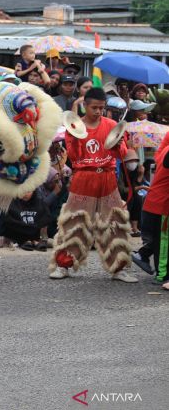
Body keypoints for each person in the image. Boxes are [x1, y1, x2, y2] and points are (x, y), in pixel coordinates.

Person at [48, 87, 137, 283]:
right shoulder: (73, 126)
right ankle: (64, 264)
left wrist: (119, 146)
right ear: (85, 106)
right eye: (94, 107)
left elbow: (121, 154)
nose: (98, 111)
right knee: (74, 223)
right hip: (83, 178)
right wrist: (79, 140)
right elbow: (73, 157)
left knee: (115, 223)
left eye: (102, 108)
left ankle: (118, 268)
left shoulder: (112, 125)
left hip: (107, 177)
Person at [132, 135, 169, 289]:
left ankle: (143, 255)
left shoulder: (164, 150)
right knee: (164, 243)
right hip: (161, 206)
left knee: (161, 241)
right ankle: (163, 276)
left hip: (156, 203)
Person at [118, 149, 148, 237]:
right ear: (125, 162)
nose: (133, 163)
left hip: (132, 193)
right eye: (131, 161)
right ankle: (125, 226)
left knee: (138, 199)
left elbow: (137, 184)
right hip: (121, 194)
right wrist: (138, 188)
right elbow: (122, 189)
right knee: (130, 198)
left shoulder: (136, 170)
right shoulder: (120, 170)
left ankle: (135, 228)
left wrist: (141, 175)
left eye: (135, 161)